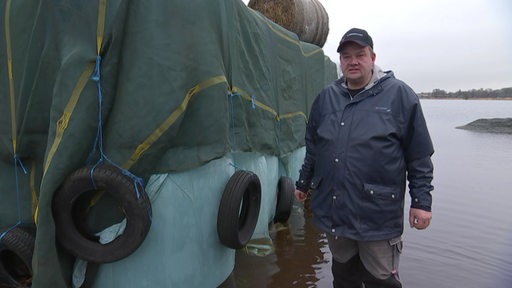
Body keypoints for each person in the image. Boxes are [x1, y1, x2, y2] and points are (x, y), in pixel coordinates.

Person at [294, 28, 434, 288]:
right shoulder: (326, 98)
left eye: (360, 54)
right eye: (346, 57)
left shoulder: (400, 96)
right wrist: (303, 183)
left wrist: (422, 202)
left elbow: (419, 155)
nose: (353, 61)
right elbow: (313, 146)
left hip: (377, 215)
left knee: (381, 279)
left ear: (373, 57)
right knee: (344, 275)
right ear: (341, 62)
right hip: (336, 211)